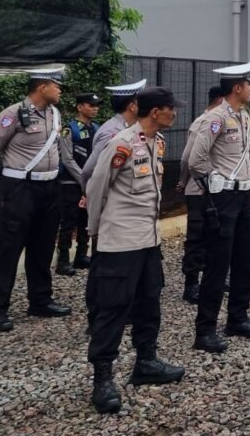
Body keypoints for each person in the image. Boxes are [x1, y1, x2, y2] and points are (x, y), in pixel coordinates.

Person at [85, 87, 185, 413]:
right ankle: (102, 378)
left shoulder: (157, 142)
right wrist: (96, 231)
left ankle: (146, 361)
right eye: (170, 108)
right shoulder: (122, 143)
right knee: (113, 309)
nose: (175, 113)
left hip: (148, 240)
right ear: (155, 112)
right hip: (120, 242)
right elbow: (97, 187)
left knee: (149, 303)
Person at [0, 68, 73, 332]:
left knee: (43, 246)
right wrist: (10, 179)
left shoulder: (54, 114)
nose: (60, 89)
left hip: (49, 188)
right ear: (42, 87)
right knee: (9, 249)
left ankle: (40, 300)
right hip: (19, 188)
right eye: (56, 85)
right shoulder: (12, 114)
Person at [187, 62, 250, 353]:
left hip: (244, 195)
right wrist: (215, 180)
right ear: (237, 88)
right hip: (224, 197)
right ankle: (205, 329)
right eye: (248, 84)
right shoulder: (216, 118)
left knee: (245, 260)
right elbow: (196, 160)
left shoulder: (244, 116)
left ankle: (238, 317)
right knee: (217, 264)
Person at [79, 78, 145, 330]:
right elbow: (90, 172)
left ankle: (121, 311)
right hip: (108, 207)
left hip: (124, 209)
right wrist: (92, 199)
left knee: (120, 263)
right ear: (132, 105)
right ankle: (96, 316)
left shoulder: (130, 127)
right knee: (102, 263)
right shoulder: (112, 131)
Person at [177, 86, 223, 304]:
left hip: (216, 187)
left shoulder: (223, 120)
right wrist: (182, 180)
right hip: (198, 188)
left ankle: (211, 278)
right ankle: (191, 283)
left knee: (215, 234)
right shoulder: (202, 122)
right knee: (197, 237)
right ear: (220, 100)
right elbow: (188, 158)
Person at [56, 93, 100, 276]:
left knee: (86, 219)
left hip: (89, 183)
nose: (95, 108)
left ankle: (81, 255)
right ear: (80, 107)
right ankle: (63, 260)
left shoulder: (96, 128)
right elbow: (67, 159)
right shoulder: (69, 129)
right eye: (91, 105)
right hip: (70, 182)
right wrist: (84, 178)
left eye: (96, 106)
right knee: (69, 221)